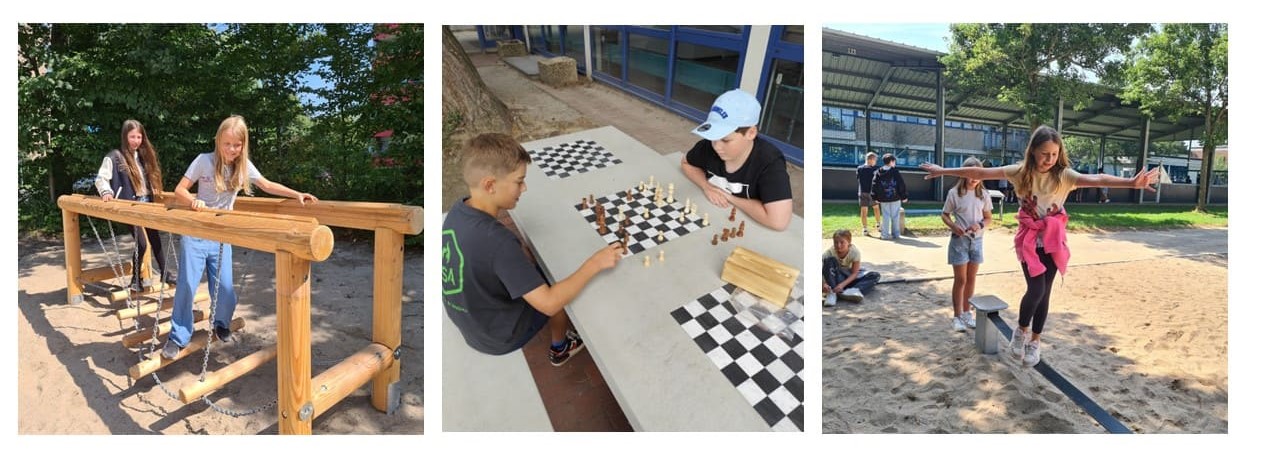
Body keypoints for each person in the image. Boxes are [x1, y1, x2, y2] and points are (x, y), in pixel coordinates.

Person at [921, 125, 1159, 366]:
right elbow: (980, 173)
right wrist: (943, 170)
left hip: (1053, 240)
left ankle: (1035, 341)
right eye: (1045, 153)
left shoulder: (1064, 175)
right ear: (1033, 151)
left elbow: (1097, 178)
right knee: (1036, 288)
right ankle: (1021, 332)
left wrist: (1131, 182)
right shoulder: (1020, 172)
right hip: (1029, 240)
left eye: (1054, 154)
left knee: (1045, 292)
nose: (1050, 159)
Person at [443, 133, 623, 366]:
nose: (524, 188)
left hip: (473, 321)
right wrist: (595, 263)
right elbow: (548, 302)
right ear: (490, 185)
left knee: (533, 267)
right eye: (519, 181)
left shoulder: (458, 212)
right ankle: (560, 348)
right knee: (553, 283)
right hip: (498, 336)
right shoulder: (497, 241)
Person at [162, 115, 319, 360]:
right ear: (218, 141)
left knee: (225, 289)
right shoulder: (204, 161)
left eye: (237, 145)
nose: (232, 150)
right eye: (227, 144)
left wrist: (296, 194)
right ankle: (178, 336)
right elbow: (179, 189)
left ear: (243, 145)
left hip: (223, 234)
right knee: (187, 286)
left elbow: (266, 185)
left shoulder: (243, 165)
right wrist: (192, 200)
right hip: (196, 233)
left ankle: (221, 323)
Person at [681, 89, 793, 231]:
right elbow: (686, 163)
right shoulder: (708, 146)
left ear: (751, 133)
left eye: (725, 140)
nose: (717, 146)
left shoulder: (769, 163)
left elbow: (778, 222)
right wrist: (706, 185)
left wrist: (729, 197)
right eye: (713, 136)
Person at [94, 119, 172, 291]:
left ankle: (165, 273)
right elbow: (101, 178)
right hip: (130, 204)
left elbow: (147, 180)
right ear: (125, 136)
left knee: (155, 238)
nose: (136, 140)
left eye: (139, 137)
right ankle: (136, 278)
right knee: (142, 243)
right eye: (132, 137)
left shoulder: (142, 156)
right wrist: (106, 192)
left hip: (146, 202)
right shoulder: (115, 157)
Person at [940, 157, 993, 332]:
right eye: (970, 174)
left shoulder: (983, 195)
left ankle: (967, 313)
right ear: (963, 174)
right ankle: (957, 316)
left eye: (978, 175)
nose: (974, 178)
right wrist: (954, 227)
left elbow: (988, 218)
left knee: (971, 279)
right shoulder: (954, 193)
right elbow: (945, 214)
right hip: (959, 241)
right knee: (960, 279)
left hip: (976, 240)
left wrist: (979, 225)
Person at [822, 229, 880, 307]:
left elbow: (855, 273)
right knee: (830, 260)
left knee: (875, 275)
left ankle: (851, 291)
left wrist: (842, 285)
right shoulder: (828, 253)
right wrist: (824, 284)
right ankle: (832, 293)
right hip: (834, 279)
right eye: (836, 242)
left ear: (849, 243)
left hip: (848, 278)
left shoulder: (855, 252)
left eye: (842, 242)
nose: (838, 245)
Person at [871, 153, 908, 240]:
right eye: (894, 161)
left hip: (883, 198)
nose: (895, 163)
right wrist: (904, 196)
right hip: (895, 197)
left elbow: (874, 185)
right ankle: (896, 234)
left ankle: (885, 235)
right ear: (891, 161)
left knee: (885, 216)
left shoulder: (878, 172)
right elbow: (901, 184)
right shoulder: (895, 171)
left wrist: (875, 197)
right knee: (895, 216)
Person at [855, 152, 881, 236]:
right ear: (870, 159)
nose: (876, 161)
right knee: (875, 208)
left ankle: (865, 229)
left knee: (865, 210)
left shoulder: (859, 168)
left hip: (863, 192)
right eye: (875, 160)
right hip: (871, 192)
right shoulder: (876, 169)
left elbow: (858, 178)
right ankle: (877, 225)